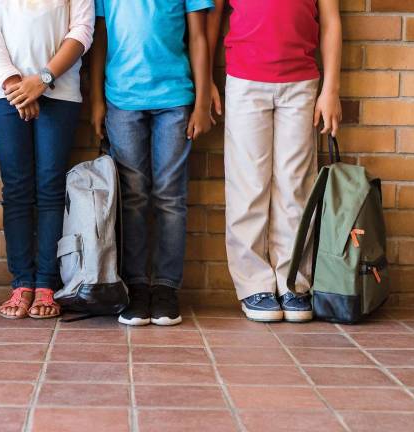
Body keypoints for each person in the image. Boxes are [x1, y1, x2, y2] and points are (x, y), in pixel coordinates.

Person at [207, 0, 342, 322]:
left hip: (301, 84)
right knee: (248, 185)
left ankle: (293, 281)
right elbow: (212, 18)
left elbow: (331, 21)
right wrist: (207, 80)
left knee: (295, 186)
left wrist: (331, 90)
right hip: (245, 81)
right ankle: (254, 284)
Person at [90, 0, 215, 326]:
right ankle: (136, 286)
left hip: (174, 101)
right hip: (122, 100)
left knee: (170, 197)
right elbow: (100, 37)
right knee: (133, 198)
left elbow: (198, 37)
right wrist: (96, 101)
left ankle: (165, 287)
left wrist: (202, 103)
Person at [0, 0, 94, 319]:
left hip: (60, 92)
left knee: (51, 188)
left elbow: (82, 31)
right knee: (16, 189)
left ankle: (45, 283)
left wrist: (42, 79)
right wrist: (13, 83)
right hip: (5, 94)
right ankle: (22, 282)